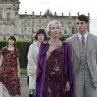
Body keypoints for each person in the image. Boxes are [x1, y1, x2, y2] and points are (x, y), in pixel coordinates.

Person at [36, 20, 74, 97]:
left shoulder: (66, 46)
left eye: (57, 28)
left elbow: (68, 66)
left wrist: (68, 81)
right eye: (53, 28)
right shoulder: (44, 45)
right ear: (49, 31)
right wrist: (49, 51)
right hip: (47, 81)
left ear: (60, 31)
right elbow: (40, 64)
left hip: (62, 82)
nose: (55, 30)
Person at [66, 14, 97, 97]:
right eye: (77, 23)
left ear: (87, 24)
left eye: (82, 23)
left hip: (91, 76)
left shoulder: (95, 40)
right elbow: (67, 62)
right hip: (76, 75)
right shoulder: (69, 41)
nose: (79, 25)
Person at [27, 29, 47, 97]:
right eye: (39, 35)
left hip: (44, 71)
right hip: (34, 71)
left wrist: (43, 69)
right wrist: (37, 69)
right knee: (33, 91)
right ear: (36, 36)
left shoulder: (47, 46)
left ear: (44, 36)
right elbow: (30, 59)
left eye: (42, 35)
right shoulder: (32, 46)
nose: (41, 36)